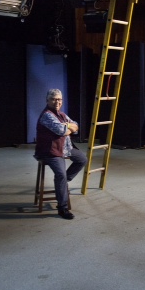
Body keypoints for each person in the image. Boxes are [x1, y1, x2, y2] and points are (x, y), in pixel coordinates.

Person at [35, 88, 87, 220]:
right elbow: (61, 131)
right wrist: (68, 128)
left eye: (59, 99)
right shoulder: (47, 115)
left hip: (64, 148)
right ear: (47, 100)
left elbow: (76, 126)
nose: (57, 101)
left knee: (82, 159)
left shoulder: (62, 115)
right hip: (50, 151)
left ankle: (63, 183)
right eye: (53, 99)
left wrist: (68, 126)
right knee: (60, 174)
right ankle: (62, 208)